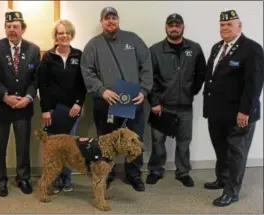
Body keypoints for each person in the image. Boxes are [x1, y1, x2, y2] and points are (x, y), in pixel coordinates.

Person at [81, 6, 153, 192]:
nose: (110, 21)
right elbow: (87, 71)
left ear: (118, 20)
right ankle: (108, 174)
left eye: (113, 17)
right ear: (101, 21)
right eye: (107, 18)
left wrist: (144, 90)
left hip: (133, 101)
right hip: (106, 103)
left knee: (134, 139)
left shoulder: (133, 40)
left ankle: (134, 174)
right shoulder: (93, 45)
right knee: (106, 141)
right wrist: (101, 90)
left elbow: (146, 65)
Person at [203, 9, 264, 207]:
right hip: (217, 112)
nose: (225, 28)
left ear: (240, 26)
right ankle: (222, 179)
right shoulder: (217, 47)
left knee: (236, 153)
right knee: (221, 149)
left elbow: (254, 85)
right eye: (222, 25)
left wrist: (245, 111)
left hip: (239, 114)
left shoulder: (252, 49)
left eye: (230, 24)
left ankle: (231, 191)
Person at [146, 13, 207, 187]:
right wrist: (155, 102)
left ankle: (183, 172)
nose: (174, 28)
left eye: (177, 25)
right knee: (158, 142)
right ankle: (156, 170)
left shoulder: (194, 49)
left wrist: (192, 91)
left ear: (182, 27)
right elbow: (150, 78)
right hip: (162, 106)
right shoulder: (155, 50)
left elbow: (202, 73)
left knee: (184, 141)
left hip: (185, 106)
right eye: (171, 25)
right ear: (166, 27)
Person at [0, 11, 40, 197]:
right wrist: (5, 96)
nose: (11, 30)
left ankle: (23, 178)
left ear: (23, 29)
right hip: (0, 106)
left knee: (23, 146)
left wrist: (28, 98)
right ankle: (0, 180)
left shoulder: (33, 50)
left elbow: (36, 79)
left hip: (23, 107)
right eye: (8, 26)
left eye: (15, 26)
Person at [37, 19, 87, 193]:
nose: (63, 36)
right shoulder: (48, 57)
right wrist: (45, 110)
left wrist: (78, 104)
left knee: (69, 146)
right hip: (53, 111)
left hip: (72, 110)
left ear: (71, 35)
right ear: (55, 36)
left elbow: (82, 84)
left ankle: (67, 178)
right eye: (60, 33)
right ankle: (55, 178)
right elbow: (43, 85)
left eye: (67, 32)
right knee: (55, 147)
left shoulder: (79, 55)